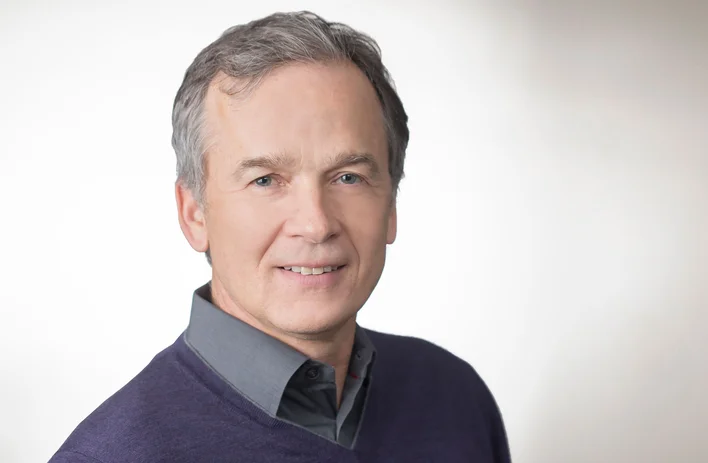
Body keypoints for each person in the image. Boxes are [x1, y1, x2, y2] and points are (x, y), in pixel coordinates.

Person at [49, 10, 511, 462]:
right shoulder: (111, 455)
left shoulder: (455, 396)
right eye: (266, 180)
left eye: (348, 177)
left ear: (391, 205)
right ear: (194, 214)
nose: (316, 224)